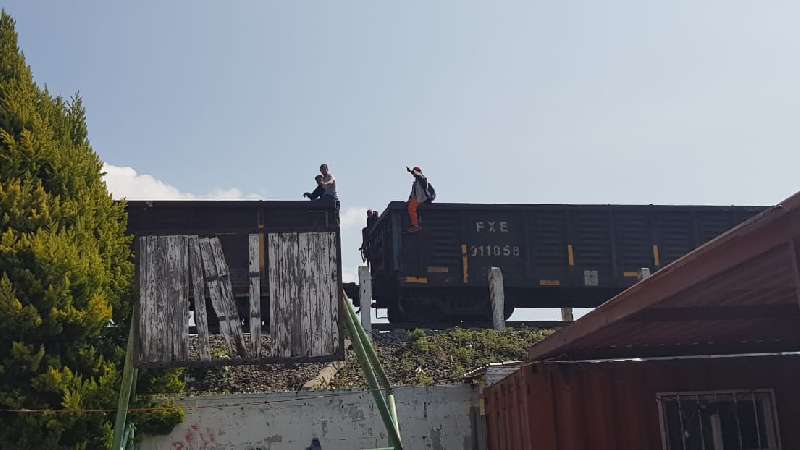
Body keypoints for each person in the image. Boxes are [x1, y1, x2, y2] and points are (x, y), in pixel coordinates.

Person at [406, 166, 435, 232]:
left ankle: (415, 225)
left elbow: (418, 175)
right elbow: (413, 193)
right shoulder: (415, 183)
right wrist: (409, 199)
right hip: (417, 198)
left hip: (421, 198)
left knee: (411, 208)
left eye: (415, 171)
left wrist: (411, 171)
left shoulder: (422, 178)